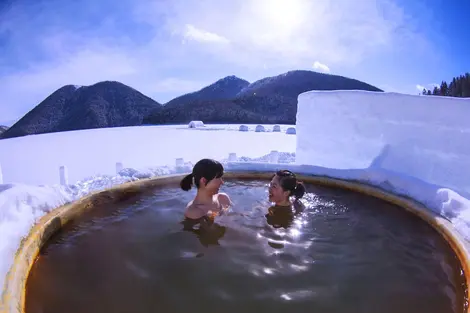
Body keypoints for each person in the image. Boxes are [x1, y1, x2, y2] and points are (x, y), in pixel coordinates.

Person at [180, 159, 232, 228]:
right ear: (204, 181)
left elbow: (237, 215)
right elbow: (207, 237)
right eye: (218, 178)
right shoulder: (194, 212)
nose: (222, 182)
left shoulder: (223, 198)